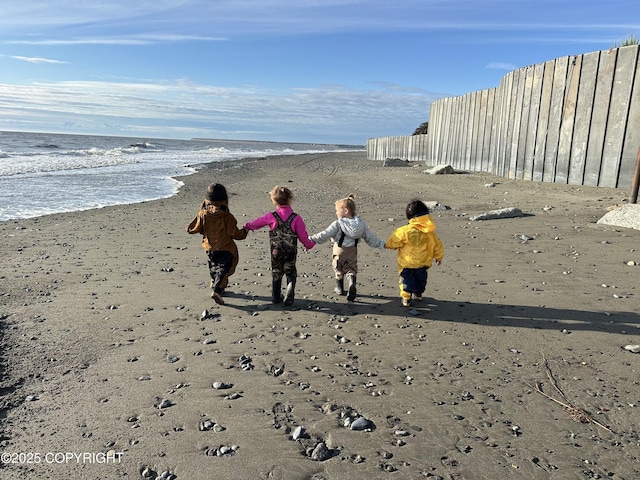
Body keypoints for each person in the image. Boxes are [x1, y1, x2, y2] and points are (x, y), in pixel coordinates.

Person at [243, 185, 315, 306]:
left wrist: (247, 226)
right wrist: (309, 244)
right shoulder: (296, 218)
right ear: (289, 199)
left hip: (275, 251)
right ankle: (290, 285)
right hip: (290, 251)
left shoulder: (271, 216)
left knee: (276, 272)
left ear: (274, 201)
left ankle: (276, 296)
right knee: (290, 271)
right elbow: (303, 236)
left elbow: (258, 222)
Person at [310, 194, 385, 302]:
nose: (336, 213)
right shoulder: (361, 224)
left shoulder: (338, 224)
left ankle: (340, 289)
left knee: (338, 268)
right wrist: (381, 244)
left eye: (337, 210)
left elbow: (325, 234)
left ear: (345, 211)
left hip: (339, 249)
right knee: (351, 269)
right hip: (352, 250)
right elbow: (370, 237)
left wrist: (311, 239)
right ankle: (351, 283)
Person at [186, 183, 247, 305]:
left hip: (209, 247)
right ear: (225, 199)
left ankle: (215, 282)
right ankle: (218, 290)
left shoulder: (203, 213)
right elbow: (234, 233)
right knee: (224, 268)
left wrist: (191, 229)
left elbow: (195, 228)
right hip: (225, 248)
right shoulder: (226, 216)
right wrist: (244, 232)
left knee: (213, 265)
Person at [385, 199, 444, 307]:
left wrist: (387, 245)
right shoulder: (430, 233)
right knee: (420, 280)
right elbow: (437, 245)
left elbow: (393, 241)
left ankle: (406, 298)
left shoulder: (404, 231)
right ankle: (418, 293)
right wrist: (438, 256)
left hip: (407, 263)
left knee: (406, 282)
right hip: (423, 262)